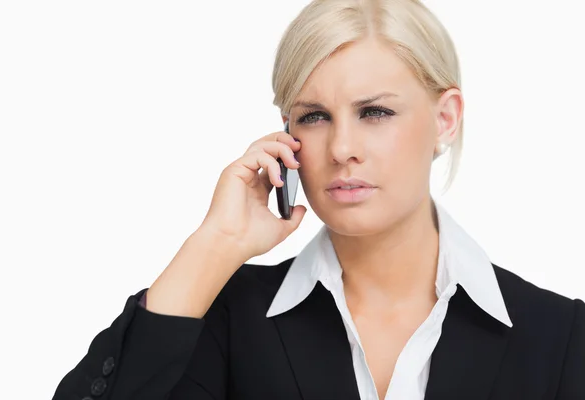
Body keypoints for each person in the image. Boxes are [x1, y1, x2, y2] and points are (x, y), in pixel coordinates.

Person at [52, 0, 585, 399]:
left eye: (375, 112)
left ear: (444, 119)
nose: (343, 149)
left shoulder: (560, 338)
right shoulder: (227, 320)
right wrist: (214, 245)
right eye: (314, 116)